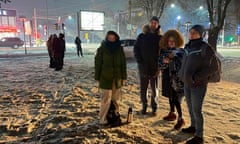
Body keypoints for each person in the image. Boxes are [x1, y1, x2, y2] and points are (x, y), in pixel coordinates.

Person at [179, 25, 217, 144]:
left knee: (197, 110)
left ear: (201, 34)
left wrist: (196, 77)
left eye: (194, 32)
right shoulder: (187, 46)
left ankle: (199, 136)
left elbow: (214, 67)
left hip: (198, 85)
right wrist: (181, 75)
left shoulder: (205, 48)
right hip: (187, 83)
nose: (191, 34)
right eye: (190, 32)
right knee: (190, 108)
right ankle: (193, 127)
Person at [95, 31, 127, 126]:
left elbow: (123, 64)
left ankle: (115, 115)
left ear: (116, 38)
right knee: (105, 99)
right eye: (110, 37)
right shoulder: (102, 49)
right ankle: (103, 119)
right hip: (105, 78)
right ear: (107, 38)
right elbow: (98, 64)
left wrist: (123, 77)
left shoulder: (119, 49)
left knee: (115, 99)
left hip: (117, 78)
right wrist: (97, 77)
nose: (111, 39)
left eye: (113, 38)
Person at [134, 16, 162, 116]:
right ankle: (144, 106)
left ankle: (154, 107)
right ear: (149, 23)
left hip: (155, 68)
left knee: (155, 89)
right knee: (143, 88)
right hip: (143, 67)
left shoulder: (160, 38)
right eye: (152, 22)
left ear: (158, 25)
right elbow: (136, 49)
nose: (153, 24)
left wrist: (160, 65)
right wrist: (140, 61)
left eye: (155, 23)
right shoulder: (142, 36)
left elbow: (163, 52)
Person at [159, 29, 185, 130]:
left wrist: (173, 59)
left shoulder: (181, 52)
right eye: (169, 41)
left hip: (177, 78)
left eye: (173, 41)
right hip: (167, 77)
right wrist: (165, 62)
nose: (171, 43)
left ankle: (181, 118)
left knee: (175, 98)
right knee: (170, 96)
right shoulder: (164, 51)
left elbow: (183, 64)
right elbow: (160, 64)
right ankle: (172, 113)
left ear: (177, 41)